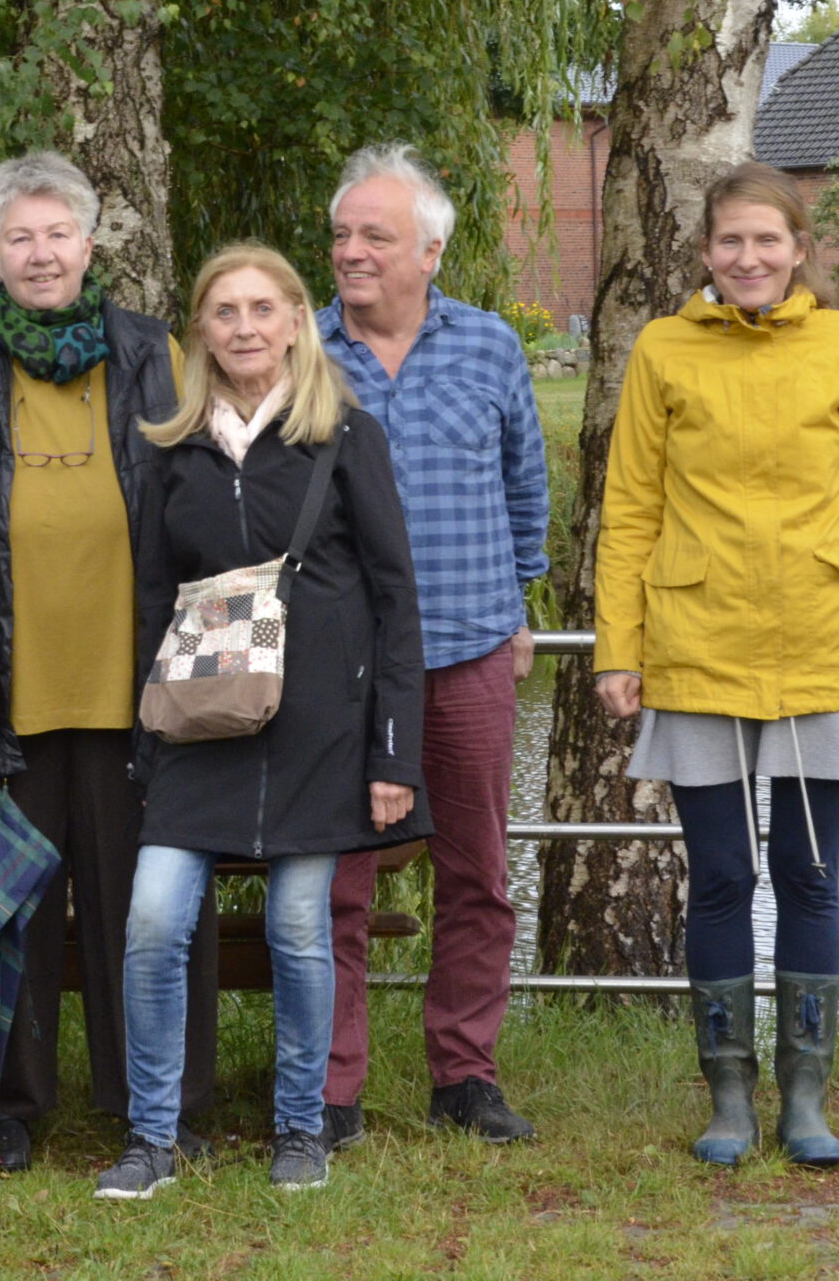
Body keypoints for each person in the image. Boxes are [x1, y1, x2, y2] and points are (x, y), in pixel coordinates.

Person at [594, 162, 839, 1169]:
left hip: (827, 644)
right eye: (730, 241)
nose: (748, 257)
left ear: (799, 252)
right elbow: (630, 509)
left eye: (766, 241)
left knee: (808, 871)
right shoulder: (661, 350)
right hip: (696, 643)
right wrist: (619, 645)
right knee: (720, 876)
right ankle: (728, 1097)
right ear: (705, 252)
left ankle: (804, 1099)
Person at [0, 152, 218, 1169]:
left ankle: (160, 1107)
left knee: (152, 910)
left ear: (90, 243)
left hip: (139, 689)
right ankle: (5, 1109)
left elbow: (201, 498)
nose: (39, 254)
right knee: (7, 913)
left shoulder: (153, 352)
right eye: (18, 237)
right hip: (8, 687)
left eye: (56, 234)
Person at [97, 245, 428, 1202]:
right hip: (201, 727)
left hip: (321, 731)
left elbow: (396, 601)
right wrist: (145, 744)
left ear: (295, 320)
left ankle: (300, 1128)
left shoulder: (345, 436)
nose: (244, 327)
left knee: (296, 924)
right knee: (155, 917)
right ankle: (152, 1139)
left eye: (262, 308)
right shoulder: (173, 450)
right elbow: (152, 601)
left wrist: (392, 750)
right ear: (200, 330)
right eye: (223, 312)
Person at [317, 143, 548, 1147]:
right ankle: (329, 1091)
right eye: (340, 234)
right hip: (339, 670)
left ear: (431, 251)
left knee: (478, 875)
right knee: (334, 886)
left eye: (375, 234)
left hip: (467, 651)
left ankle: (463, 1074)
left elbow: (524, 488)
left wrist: (518, 604)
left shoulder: (490, 348)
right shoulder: (298, 350)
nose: (350, 251)